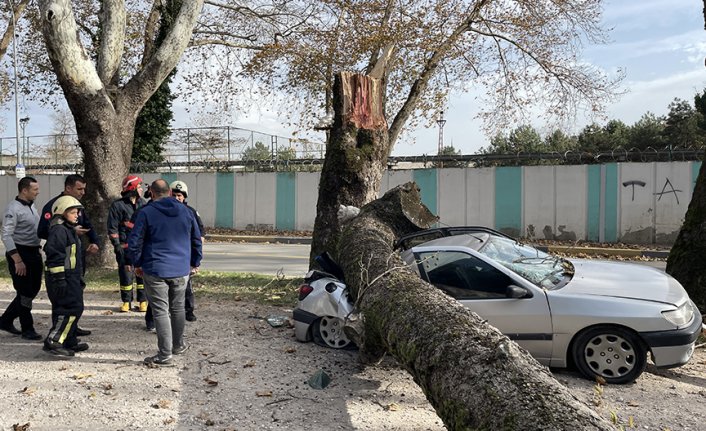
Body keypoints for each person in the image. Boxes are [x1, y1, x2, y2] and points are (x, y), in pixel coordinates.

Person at [128, 179, 202, 367]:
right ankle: (178, 345)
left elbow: (135, 241)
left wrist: (136, 263)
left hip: (155, 268)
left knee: (160, 310)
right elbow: (196, 239)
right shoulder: (186, 211)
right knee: (177, 308)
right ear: (169, 192)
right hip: (181, 269)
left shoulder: (146, 213)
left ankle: (164, 355)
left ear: (151, 193)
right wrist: (195, 262)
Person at [38, 174, 99, 337]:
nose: (83, 192)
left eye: (84, 189)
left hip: (75, 262)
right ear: (68, 188)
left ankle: (71, 329)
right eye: (79, 189)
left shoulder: (76, 206)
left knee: (75, 297)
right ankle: (58, 335)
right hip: (63, 266)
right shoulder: (53, 207)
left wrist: (94, 242)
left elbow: (88, 225)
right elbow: (44, 231)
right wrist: (70, 230)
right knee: (63, 301)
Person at [42, 196, 89, 357]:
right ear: (62, 212)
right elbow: (54, 256)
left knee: (66, 308)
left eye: (78, 212)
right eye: (73, 212)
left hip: (71, 277)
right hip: (63, 278)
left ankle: (69, 340)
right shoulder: (59, 231)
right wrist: (60, 279)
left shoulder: (66, 229)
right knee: (70, 308)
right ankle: (54, 341)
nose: (77, 215)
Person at [0, 177, 43, 340]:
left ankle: (5, 320)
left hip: (33, 253)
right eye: (35, 189)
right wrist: (17, 260)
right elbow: (6, 235)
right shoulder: (13, 208)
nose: (37, 192)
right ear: (24, 190)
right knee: (24, 292)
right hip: (20, 253)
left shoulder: (32, 205)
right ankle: (27, 328)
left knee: (33, 289)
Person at [107, 175, 147, 313]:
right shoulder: (118, 206)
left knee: (142, 274)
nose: (141, 189)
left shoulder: (144, 204)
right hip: (125, 247)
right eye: (139, 186)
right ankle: (126, 302)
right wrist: (117, 245)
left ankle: (142, 301)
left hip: (141, 248)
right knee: (126, 275)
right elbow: (112, 228)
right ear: (133, 188)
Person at [169, 180, 204, 322]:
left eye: (180, 196)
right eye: (175, 195)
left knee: (187, 285)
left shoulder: (191, 212)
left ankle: (188, 310)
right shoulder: (165, 212)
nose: (177, 198)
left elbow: (200, 235)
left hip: (186, 254)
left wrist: (195, 261)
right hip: (170, 254)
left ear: (184, 197)